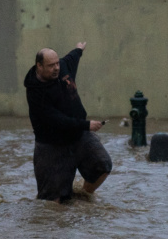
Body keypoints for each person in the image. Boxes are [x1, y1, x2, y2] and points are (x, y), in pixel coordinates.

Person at [24, 42, 112, 201]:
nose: (56, 68)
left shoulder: (63, 67)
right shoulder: (35, 92)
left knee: (102, 166)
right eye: (51, 65)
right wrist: (87, 125)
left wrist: (79, 49)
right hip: (52, 146)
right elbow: (57, 121)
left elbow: (72, 58)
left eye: (57, 63)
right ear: (39, 66)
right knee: (54, 201)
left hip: (79, 135)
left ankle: (84, 197)